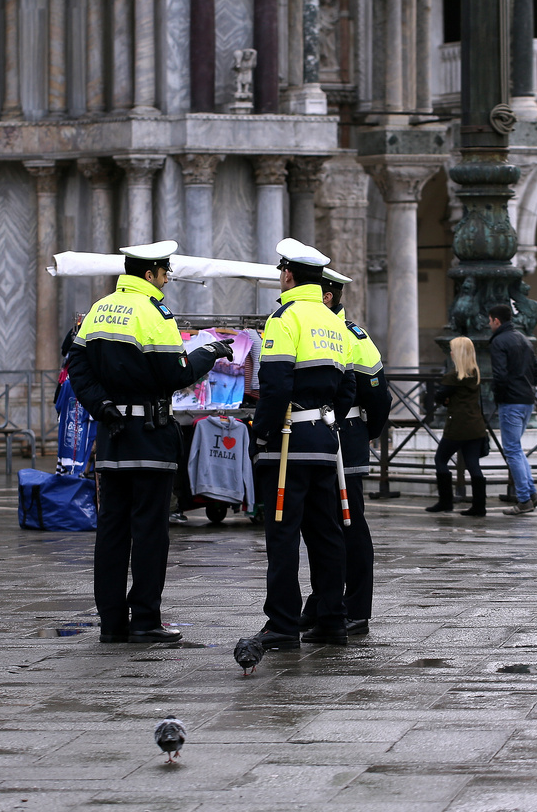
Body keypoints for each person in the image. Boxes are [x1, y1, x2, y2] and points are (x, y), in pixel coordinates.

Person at [65, 241, 233, 644]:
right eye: (164, 274)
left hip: (112, 438)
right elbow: (173, 372)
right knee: (150, 532)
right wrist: (208, 353)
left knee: (111, 533)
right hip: (150, 439)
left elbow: (77, 365)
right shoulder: (155, 312)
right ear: (150, 274)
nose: (167, 280)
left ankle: (111, 624)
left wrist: (100, 406)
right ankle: (144, 619)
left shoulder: (100, 309)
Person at [250, 239, 356, 650]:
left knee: (282, 535)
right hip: (325, 441)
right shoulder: (334, 321)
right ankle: (331, 619)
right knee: (326, 533)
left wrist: (261, 433)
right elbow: (348, 385)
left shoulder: (284, 316)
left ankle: (281, 624)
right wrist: (326, 418)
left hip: (288, 442)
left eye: (281, 272)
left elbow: (275, 386)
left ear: (289, 274)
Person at [300, 269, 389, 637]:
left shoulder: (353, 335)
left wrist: (367, 434)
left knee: (350, 526)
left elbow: (378, 393)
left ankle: (356, 608)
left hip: (346, 435)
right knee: (319, 526)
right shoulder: (311, 327)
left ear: (328, 297)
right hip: (316, 434)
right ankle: (324, 601)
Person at [426, 336, 490, 517]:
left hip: (457, 426)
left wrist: (446, 400)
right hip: (475, 426)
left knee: (440, 459)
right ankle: (479, 506)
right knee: (473, 465)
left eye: (453, 349)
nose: (451, 352)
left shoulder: (453, 377)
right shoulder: (475, 374)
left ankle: (445, 502)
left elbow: (439, 396)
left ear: (459, 354)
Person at [488, 303, 537, 514]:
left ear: (496, 321)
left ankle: (524, 500)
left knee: (511, 450)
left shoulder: (499, 341)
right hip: (527, 399)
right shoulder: (524, 339)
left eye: (489, 320)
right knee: (517, 450)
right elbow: (536, 370)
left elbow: (500, 375)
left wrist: (499, 397)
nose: (488, 324)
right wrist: (527, 388)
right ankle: (532, 493)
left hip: (511, 401)